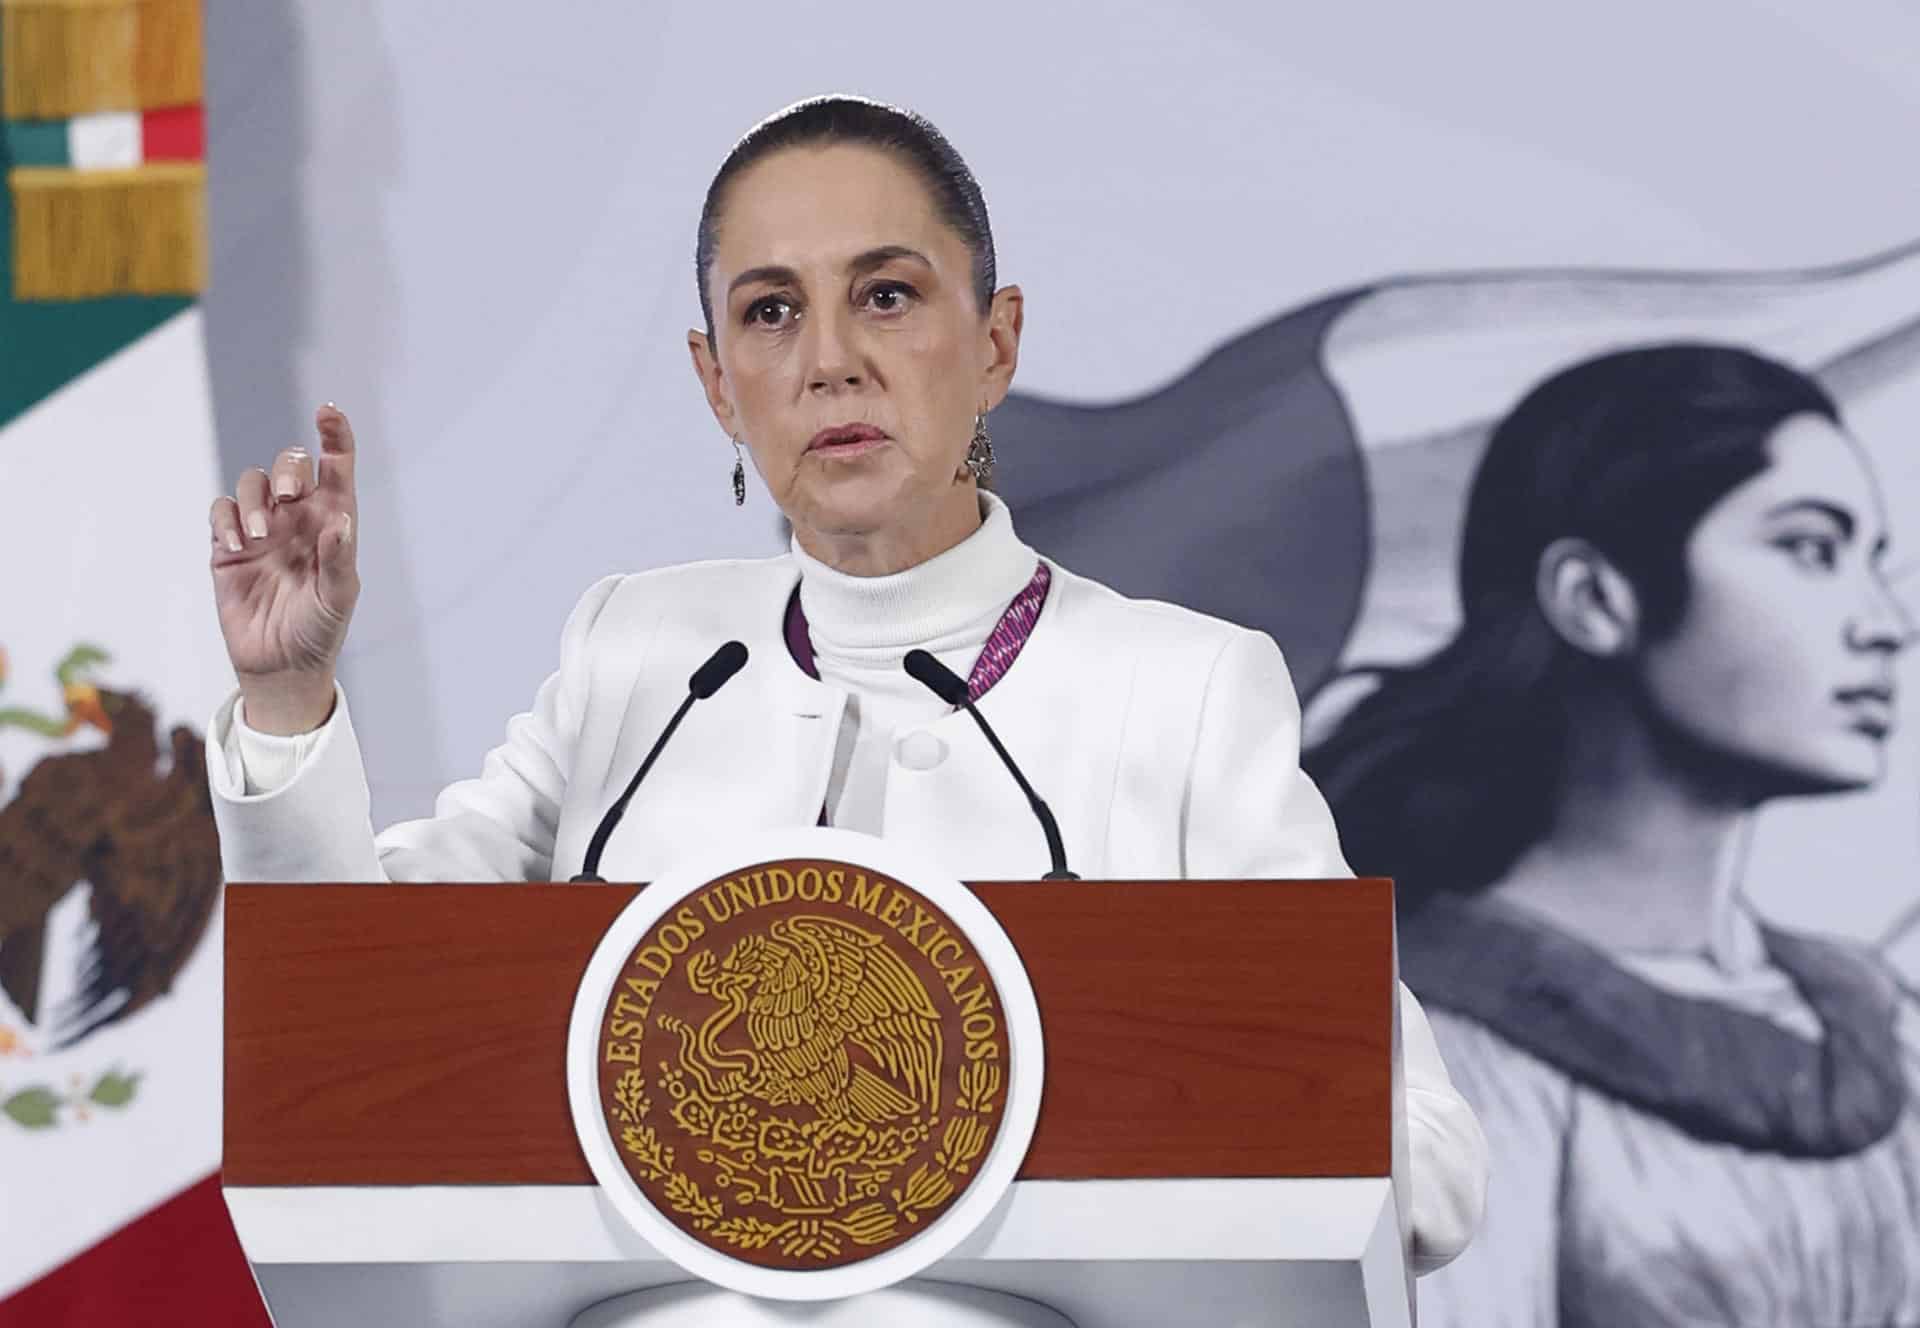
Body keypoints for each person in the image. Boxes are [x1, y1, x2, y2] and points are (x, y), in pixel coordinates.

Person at [202, 95, 1486, 1270]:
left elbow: (1425, 1156)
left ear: (995, 342)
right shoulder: (640, 657)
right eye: (769, 310)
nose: (830, 360)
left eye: (886, 295)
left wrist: (1111, 1105)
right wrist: (287, 697)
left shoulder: (1183, 689)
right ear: (717, 383)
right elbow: (351, 1015)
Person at [1306, 344, 1920, 1326]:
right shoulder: (1421, 1041)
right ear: (1595, 599)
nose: (1885, 623)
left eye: (1872, 562)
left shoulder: (1881, 1017)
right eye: (1810, 548)